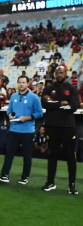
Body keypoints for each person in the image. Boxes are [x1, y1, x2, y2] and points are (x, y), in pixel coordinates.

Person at [0, 76, 43, 184]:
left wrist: (26, 118)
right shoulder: (13, 96)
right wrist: (9, 115)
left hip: (27, 131)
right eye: (20, 82)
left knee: (27, 155)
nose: (21, 84)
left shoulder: (34, 97)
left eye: (23, 82)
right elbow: (9, 110)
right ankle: (5, 175)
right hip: (14, 129)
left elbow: (39, 113)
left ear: (27, 84)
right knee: (9, 153)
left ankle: (24, 177)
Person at [41, 66, 79, 194]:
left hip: (68, 127)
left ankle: (72, 185)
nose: (59, 74)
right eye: (57, 72)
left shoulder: (72, 89)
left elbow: (74, 106)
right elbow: (44, 104)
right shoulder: (48, 88)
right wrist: (60, 103)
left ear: (66, 74)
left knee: (70, 156)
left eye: (61, 72)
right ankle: (50, 182)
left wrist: (54, 103)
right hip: (52, 126)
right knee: (52, 155)